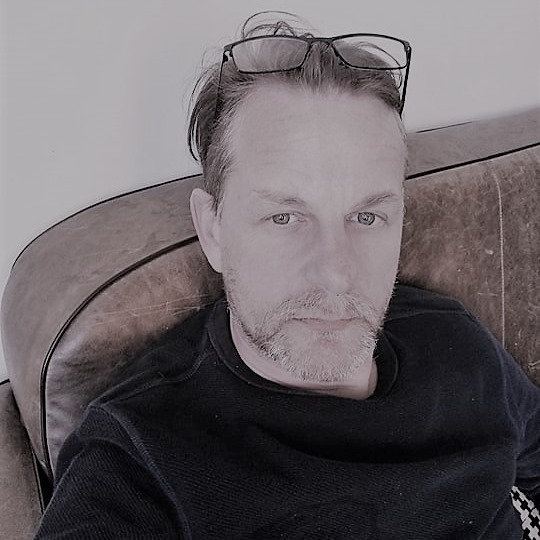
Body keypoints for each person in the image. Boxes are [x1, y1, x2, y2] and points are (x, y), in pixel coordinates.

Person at [34, 12, 539, 539]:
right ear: (213, 229)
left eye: (367, 217)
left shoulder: (453, 339)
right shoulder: (140, 463)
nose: (336, 273)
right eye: (284, 218)